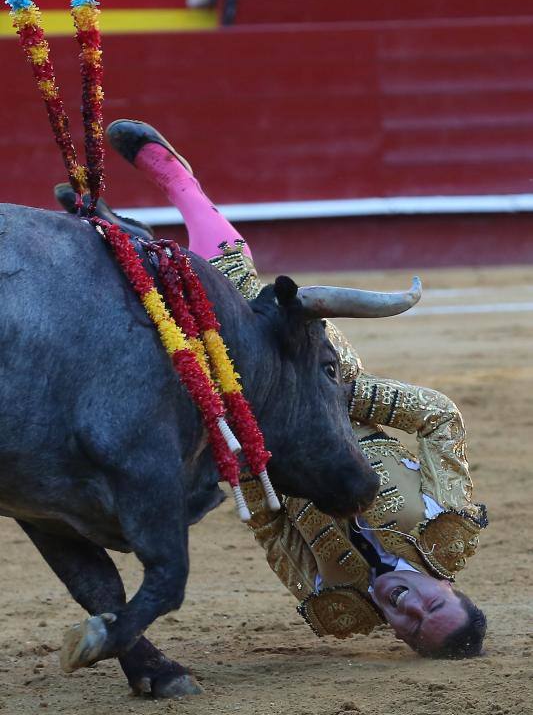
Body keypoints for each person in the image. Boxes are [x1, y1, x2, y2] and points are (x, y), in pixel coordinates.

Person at [54, 119, 488, 659]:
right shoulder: (447, 529)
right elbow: (441, 418)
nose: (414, 609)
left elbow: (272, 530)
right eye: (435, 607)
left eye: (414, 628)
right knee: (234, 289)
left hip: (257, 440)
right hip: (317, 386)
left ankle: (128, 237)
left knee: (160, 345)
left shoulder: (336, 611)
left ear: (399, 636)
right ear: (449, 588)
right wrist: (347, 398)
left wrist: (251, 451)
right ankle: (179, 184)